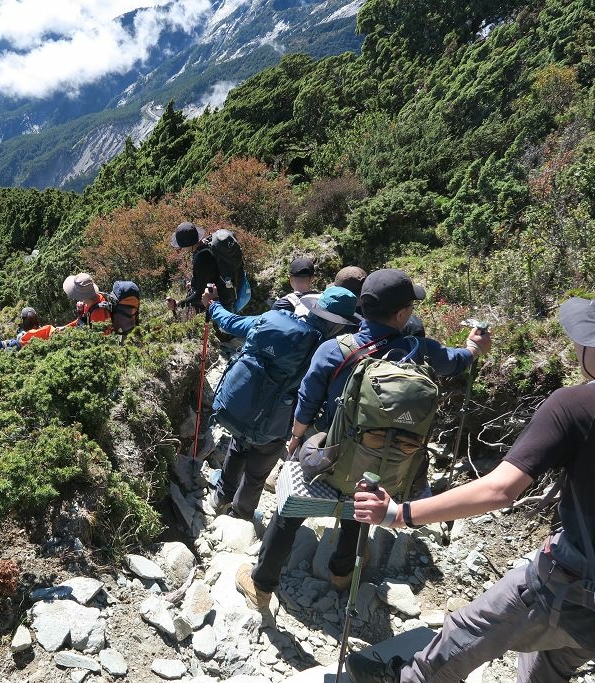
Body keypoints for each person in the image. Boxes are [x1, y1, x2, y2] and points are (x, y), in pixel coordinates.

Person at [345, 282, 595, 683]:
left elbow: (501, 489)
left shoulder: (579, 404)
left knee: (463, 633)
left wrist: (399, 513)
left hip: (570, 584)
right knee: (549, 660)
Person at [235, 269, 491, 607]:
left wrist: (295, 442)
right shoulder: (421, 349)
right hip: (386, 469)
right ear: (401, 314)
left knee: (291, 503)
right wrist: (473, 348)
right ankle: (343, 573)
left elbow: (307, 404)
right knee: (365, 491)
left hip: (331, 461)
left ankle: (262, 585)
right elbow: (455, 362)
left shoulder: (333, 350)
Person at [205, 284, 363, 520]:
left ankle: (221, 497)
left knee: (238, 446)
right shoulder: (326, 351)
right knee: (257, 473)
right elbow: (315, 397)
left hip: (239, 406)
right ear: (339, 323)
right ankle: (241, 514)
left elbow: (229, 322)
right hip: (273, 424)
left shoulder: (272, 318)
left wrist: (212, 304)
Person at [166, 221, 234, 313]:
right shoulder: (204, 245)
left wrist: (178, 304)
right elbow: (206, 275)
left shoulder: (202, 259)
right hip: (217, 283)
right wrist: (193, 283)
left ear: (188, 245)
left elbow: (200, 295)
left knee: (217, 324)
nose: (181, 248)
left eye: (182, 246)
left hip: (220, 295)